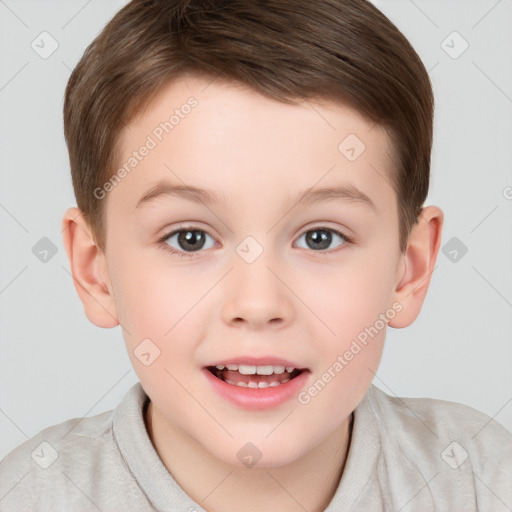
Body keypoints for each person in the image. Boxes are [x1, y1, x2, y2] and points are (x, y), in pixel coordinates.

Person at [1, 0, 511, 510]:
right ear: (97, 272)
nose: (259, 302)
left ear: (410, 269)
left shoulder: (482, 484)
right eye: (190, 239)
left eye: (320, 238)